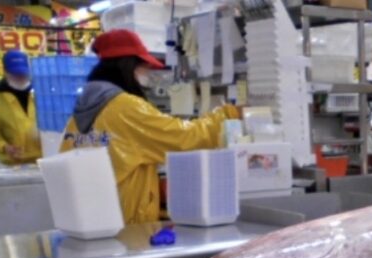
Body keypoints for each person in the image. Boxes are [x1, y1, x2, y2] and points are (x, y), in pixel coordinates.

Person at [60, 29, 240, 225]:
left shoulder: (79, 114)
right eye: (144, 66)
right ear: (129, 66)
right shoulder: (126, 108)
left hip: (93, 221)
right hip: (127, 224)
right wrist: (229, 114)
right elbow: (185, 137)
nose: (147, 73)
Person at [0, 50, 42, 165]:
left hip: (43, 160)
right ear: (5, 72)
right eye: (16, 74)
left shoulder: (41, 97)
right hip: (13, 164)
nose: (20, 77)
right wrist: (4, 146)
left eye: (23, 73)